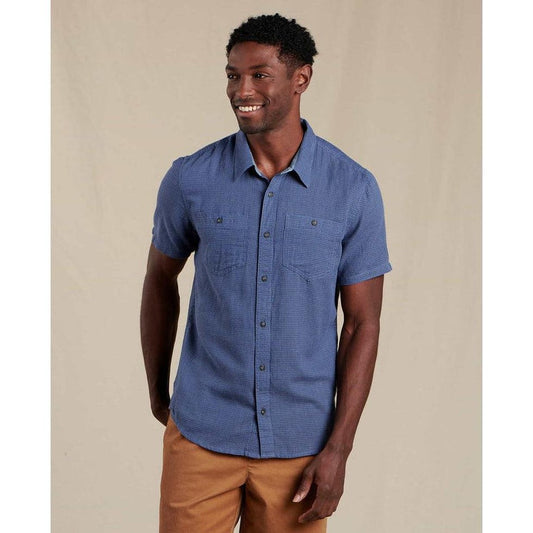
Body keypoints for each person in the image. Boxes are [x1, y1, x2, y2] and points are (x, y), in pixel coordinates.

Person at [141, 13, 392, 533]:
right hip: (201, 432)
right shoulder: (190, 178)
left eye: (260, 75)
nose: (242, 91)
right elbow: (159, 280)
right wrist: (159, 394)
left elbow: (362, 324)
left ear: (301, 78)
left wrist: (339, 449)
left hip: (301, 448)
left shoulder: (353, 189)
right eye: (233, 76)